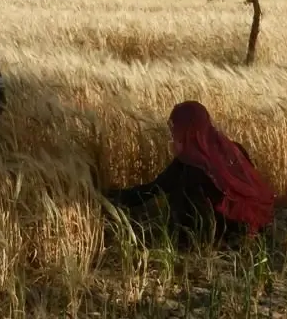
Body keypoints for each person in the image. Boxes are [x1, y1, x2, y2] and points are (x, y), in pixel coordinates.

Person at [102, 100, 276, 247]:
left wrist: (106, 197)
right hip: (251, 228)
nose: (172, 138)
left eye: (175, 132)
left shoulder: (189, 166)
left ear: (187, 132)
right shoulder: (234, 149)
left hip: (215, 241)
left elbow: (150, 191)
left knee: (182, 193)